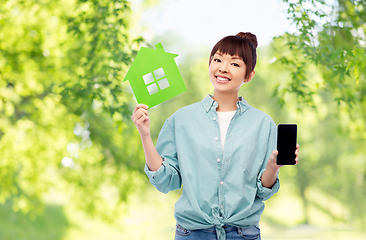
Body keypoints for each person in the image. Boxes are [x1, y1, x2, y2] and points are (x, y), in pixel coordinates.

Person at [131, 32, 300, 240]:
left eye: (235, 64)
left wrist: (274, 166)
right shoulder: (181, 119)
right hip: (192, 234)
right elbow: (166, 181)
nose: (223, 68)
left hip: (243, 234)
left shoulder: (263, 124)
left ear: (249, 75)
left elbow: (262, 191)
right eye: (217, 60)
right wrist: (145, 134)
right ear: (209, 64)